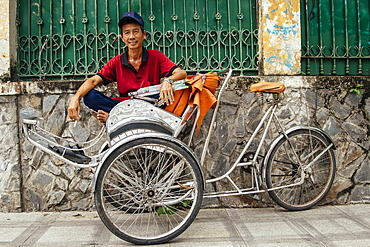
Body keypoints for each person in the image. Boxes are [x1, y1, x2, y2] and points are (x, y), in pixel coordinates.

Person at [68, 11, 187, 123]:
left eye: (136, 31)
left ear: (144, 34)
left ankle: (116, 117)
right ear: (122, 38)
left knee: (163, 94)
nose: (131, 37)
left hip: (149, 106)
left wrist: (168, 81)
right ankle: (121, 116)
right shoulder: (116, 62)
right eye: (127, 33)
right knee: (89, 96)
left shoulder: (156, 56)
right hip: (125, 106)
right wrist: (75, 98)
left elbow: (181, 73)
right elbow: (93, 80)